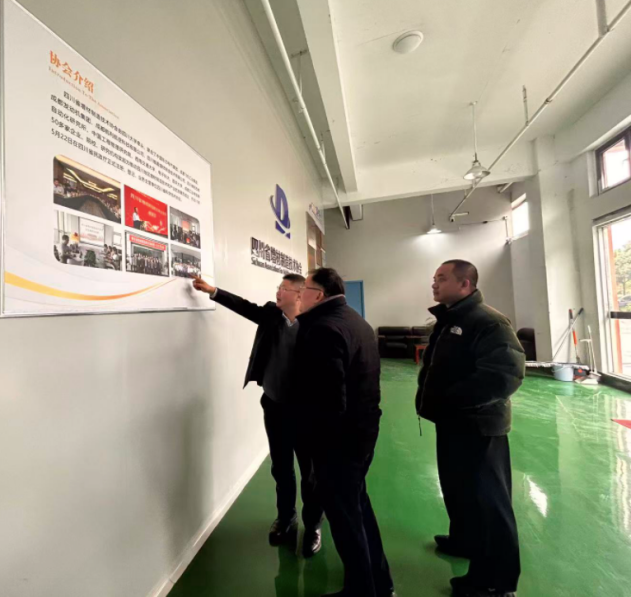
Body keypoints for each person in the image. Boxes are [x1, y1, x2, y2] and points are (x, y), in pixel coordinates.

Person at [191, 273, 324, 557]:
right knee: (281, 468)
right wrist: (214, 291)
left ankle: (313, 525)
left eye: (283, 288)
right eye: (278, 287)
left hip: (306, 414)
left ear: (299, 294)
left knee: (310, 474)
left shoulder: (316, 324)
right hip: (275, 407)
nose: (278, 292)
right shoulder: (271, 315)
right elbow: (244, 306)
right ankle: (286, 518)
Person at [416, 260, 525, 597]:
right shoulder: (452, 319)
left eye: (442, 278)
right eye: (434, 278)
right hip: (453, 423)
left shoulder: (488, 321)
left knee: (488, 503)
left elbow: (504, 375)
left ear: (465, 284)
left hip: (478, 427)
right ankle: (465, 540)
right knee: (458, 489)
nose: (434, 284)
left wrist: (453, 400)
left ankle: (495, 582)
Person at [295, 268, 394, 597]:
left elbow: (328, 401)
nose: (300, 295)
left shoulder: (323, 329)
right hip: (362, 434)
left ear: (319, 294)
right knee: (359, 509)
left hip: (338, 444)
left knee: (346, 521)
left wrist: (314, 444)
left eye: (304, 289)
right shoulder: (355, 320)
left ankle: (361, 590)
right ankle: (380, 583)